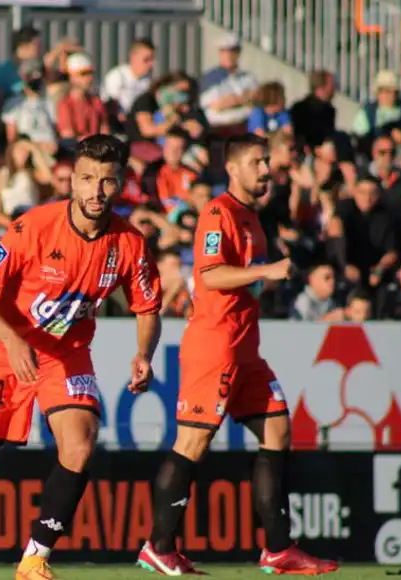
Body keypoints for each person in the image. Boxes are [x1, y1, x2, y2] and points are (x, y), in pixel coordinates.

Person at [0, 135, 163, 580]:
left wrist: (143, 352)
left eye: (106, 181)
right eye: (86, 179)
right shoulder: (34, 227)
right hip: (5, 353)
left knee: (79, 446)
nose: (95, 191)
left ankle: (34, 560)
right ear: (71, 181)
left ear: (119, 185)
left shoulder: (130, 244)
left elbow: (148, 307)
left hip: (66, 354)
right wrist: (11, 337)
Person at [137, 134, 338, 576]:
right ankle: (159, 546)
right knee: (193, 442)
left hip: (246, 348)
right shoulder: (218, 213)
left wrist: (265, 275)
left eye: (267, 161)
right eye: (256, 162)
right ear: (232, 168)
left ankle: (279, 549)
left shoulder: (252, 218)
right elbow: (209, 276)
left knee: (278, 430)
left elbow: (245, 281)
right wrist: (267, 270)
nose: (266, 169)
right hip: (215, 346)